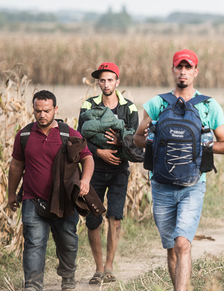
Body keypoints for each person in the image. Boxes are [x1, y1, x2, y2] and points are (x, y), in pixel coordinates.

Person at [132, 49, 224, 291]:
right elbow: (137, 140)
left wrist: (200, 146)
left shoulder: (209, 105)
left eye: (188, 68)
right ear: (173, 70)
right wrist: (151, 139)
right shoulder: (156, 104)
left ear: (196, 72)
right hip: (161, 184)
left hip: (193, 185)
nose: (183, 72)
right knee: (171, 247)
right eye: (179, 67)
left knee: (182, 243)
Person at [7, 90, 94, 291]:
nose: (42, 115)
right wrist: (11, 194)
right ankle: (33, 285)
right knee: (34, 244)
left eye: (46, 111)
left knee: (68, 243)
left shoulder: (69, 134)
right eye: (38, 111)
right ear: (33, 110)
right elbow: (16, 166)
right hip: (32, 199)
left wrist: (85, 180)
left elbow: (87, 158)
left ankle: (67, 276)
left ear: (55, 109)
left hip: (64, 200)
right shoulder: (25, 135)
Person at [77, 62, 139, 285]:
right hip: (93, 170)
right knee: (93, 219)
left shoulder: (129, 108)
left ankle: (110, 266)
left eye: (110, 80)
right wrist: (99, 152)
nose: (106, 84)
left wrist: (121, 144)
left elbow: (135, 142)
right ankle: (98, 268)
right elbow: (79, 139)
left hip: (119, 171)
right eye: (102, 80)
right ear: (98, 83)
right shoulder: (88, 105)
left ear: (117, 82)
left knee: (114, 216)